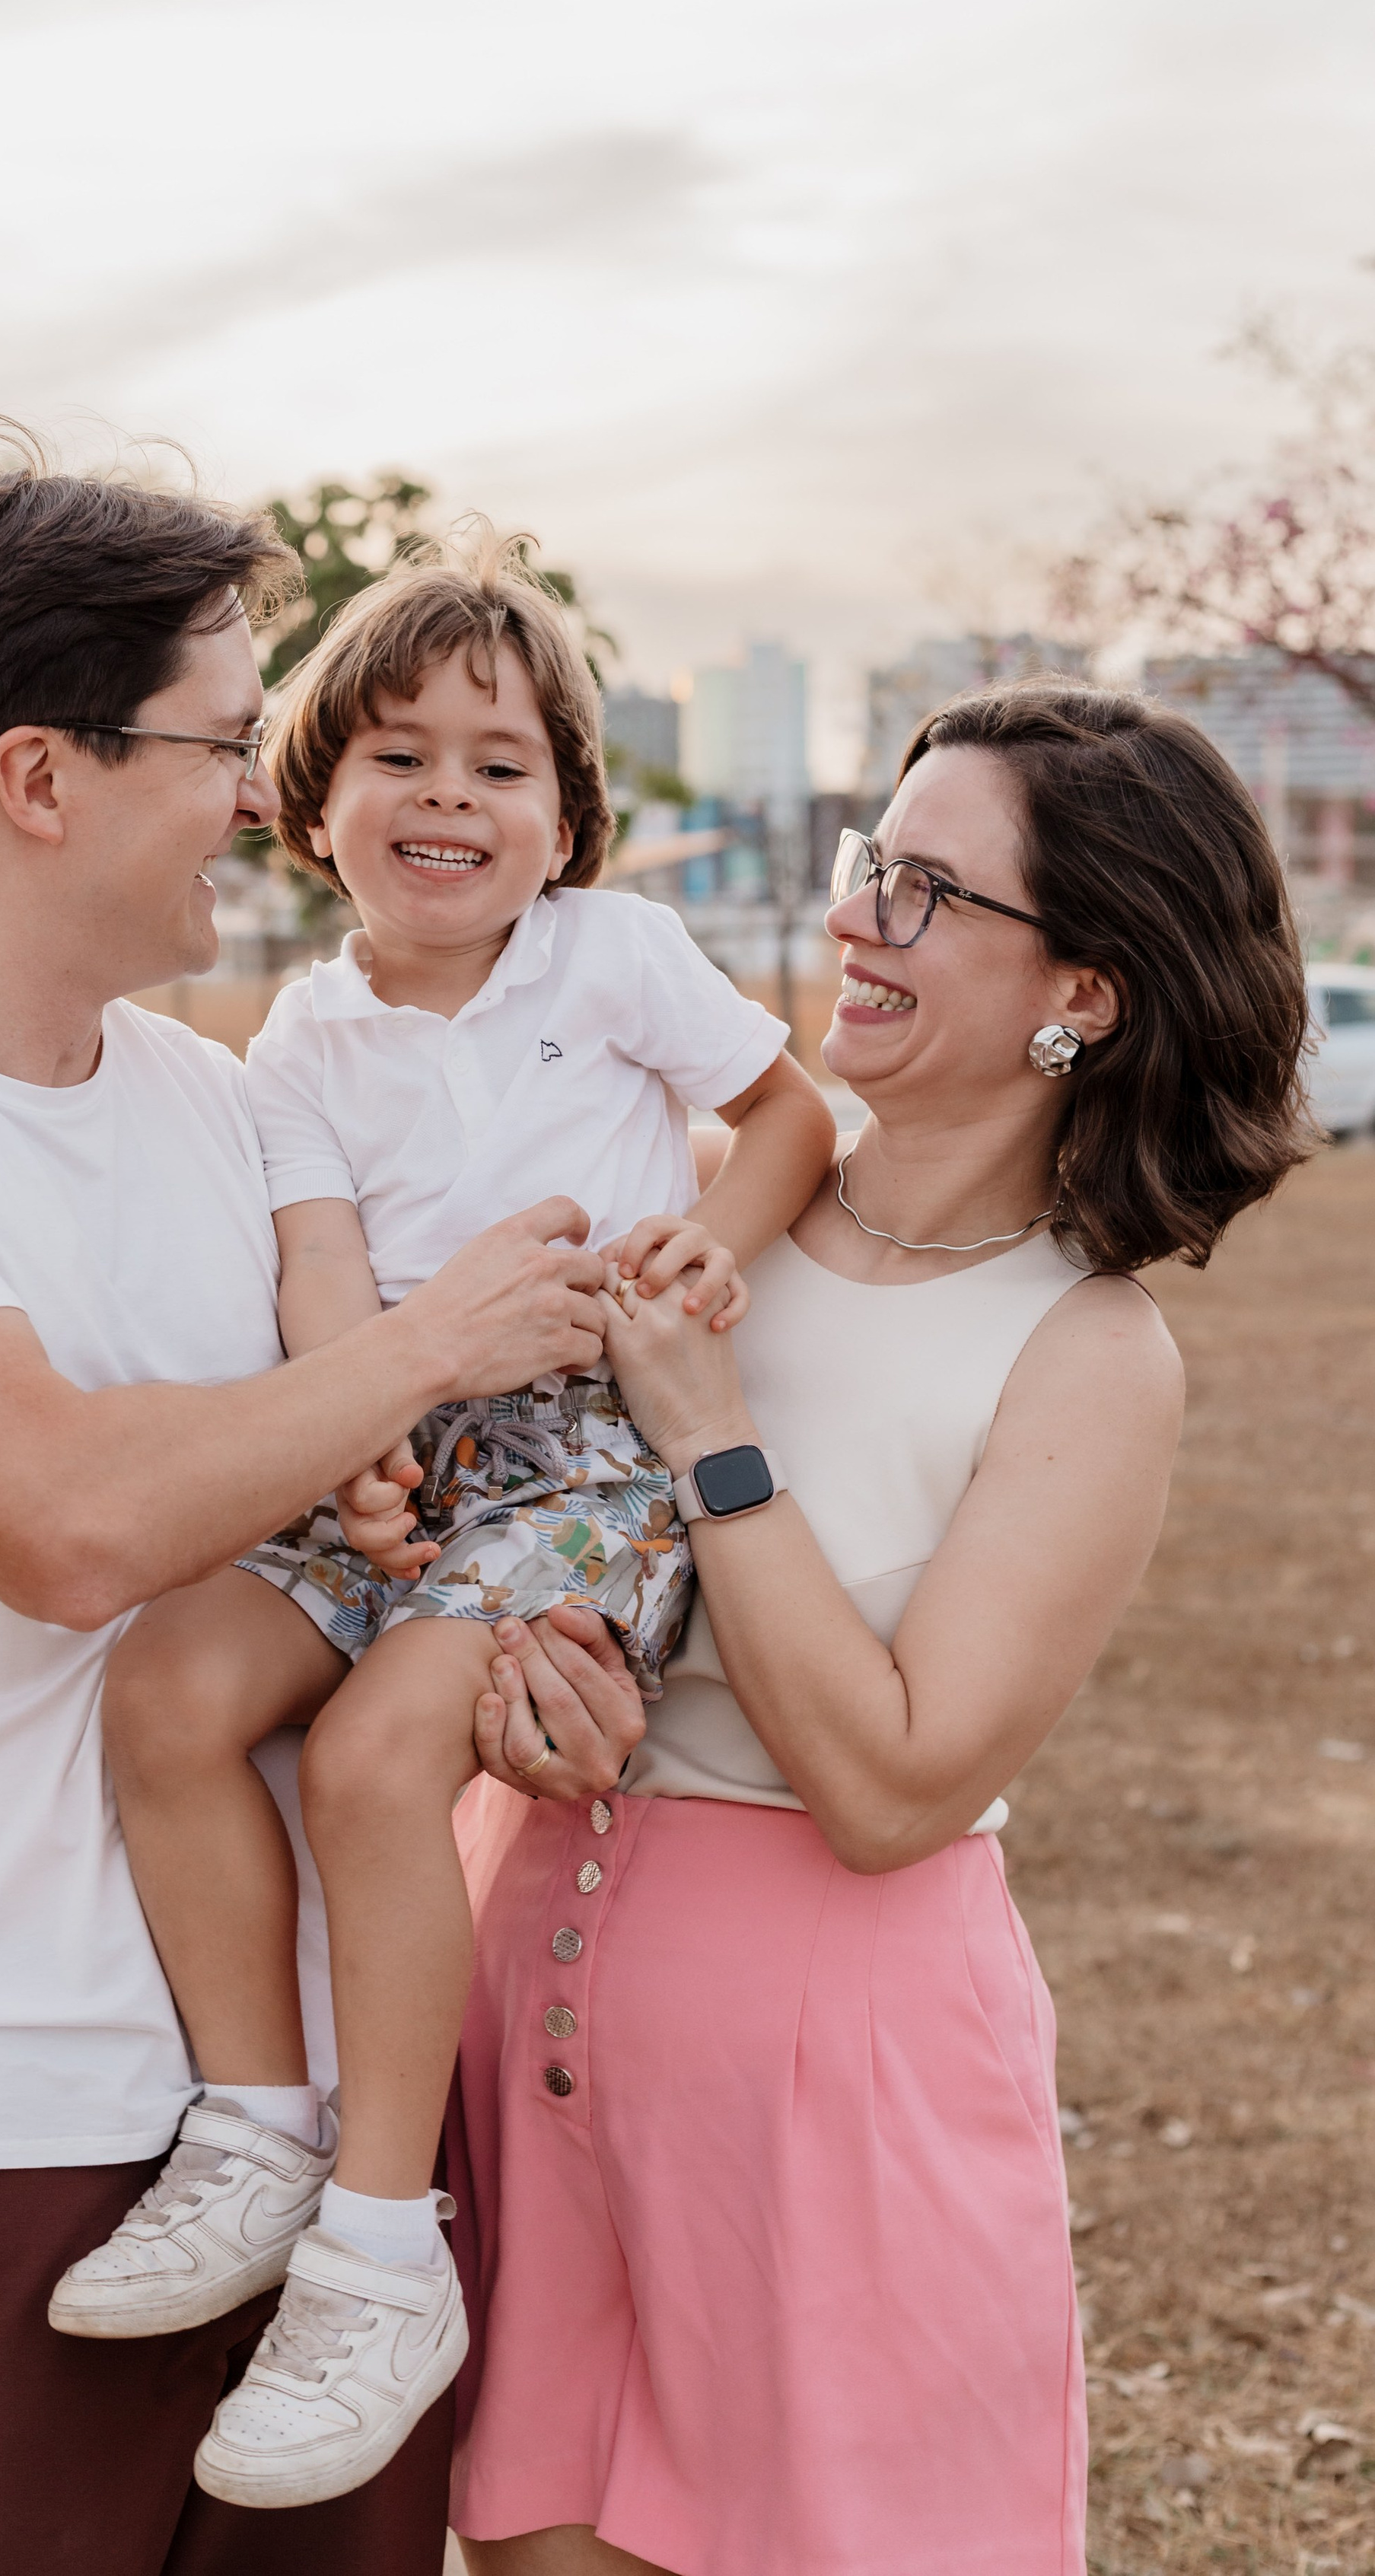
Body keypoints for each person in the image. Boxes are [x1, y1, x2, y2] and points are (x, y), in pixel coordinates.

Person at [0, 441, 623, 2576]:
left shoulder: (227, 1102)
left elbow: (367, 1538)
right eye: (218, 745)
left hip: (352, 2185)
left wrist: (528, 1656)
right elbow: (70, 1525)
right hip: (2, 2130)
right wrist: (424, 1348)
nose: (264, 800)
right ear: (37, 778)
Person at [438, 680, 1315, 2576]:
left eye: (925, 890)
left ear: (1081, 988)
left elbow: (894, 1786)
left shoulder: (1083, 1353)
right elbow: (467, 1542)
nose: (852, 917)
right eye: (868, 862)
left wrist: (713, 1442)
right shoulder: (686, 1208)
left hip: (836, 2098)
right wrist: (503, 1679)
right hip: (517, 2017)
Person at [51, 537, 835, 2510]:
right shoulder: (296, 1044)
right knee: (166, 1689)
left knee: (379, 1752)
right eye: (397, 755)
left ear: (566, 816)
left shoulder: (611, 957)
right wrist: (358, 1440)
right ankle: (257, 2125)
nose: (450, 798)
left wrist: (706, 1250)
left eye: (502, 766)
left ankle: (382, 2254)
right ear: (310, 804)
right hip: (398, 1423)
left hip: (588, 1455)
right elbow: (324, 1271)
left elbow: (796, 1116)